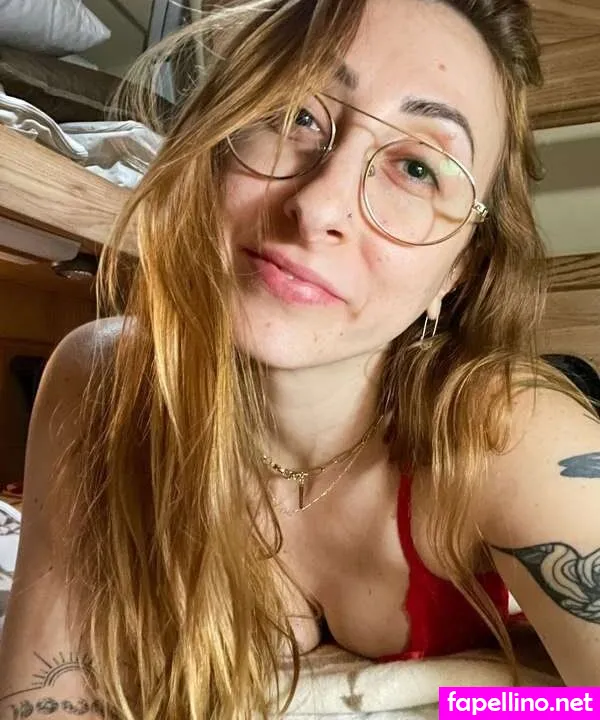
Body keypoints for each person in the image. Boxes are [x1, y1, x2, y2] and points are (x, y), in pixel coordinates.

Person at [1, 0, 599, 717]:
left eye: (416, 167)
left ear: (458, 272)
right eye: (295, 115)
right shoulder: (101, 381)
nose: (319, 206)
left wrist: (468, 703)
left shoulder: (508, 431)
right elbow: (43, 698)